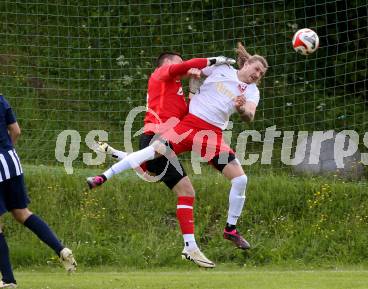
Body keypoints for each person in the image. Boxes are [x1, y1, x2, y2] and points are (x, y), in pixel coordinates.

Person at [87, 43, 268, 254]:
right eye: (256, 69)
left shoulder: (253, 92)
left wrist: (241, 108)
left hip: (212, 135)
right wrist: (194, 73)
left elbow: (250, 116)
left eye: (261, 74)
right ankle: (103, 177)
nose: (257, 75)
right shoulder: (222, 68)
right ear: (246, 63)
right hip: (189, 124)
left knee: (240, 179)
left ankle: (231, 229)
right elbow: (194, 71)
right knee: (153, 151)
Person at [0, 95, 76, 288]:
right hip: (11, 161)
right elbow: (16, 131)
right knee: (22, 213)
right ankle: (61, 250)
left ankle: (8, 279)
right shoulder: (1, 98)